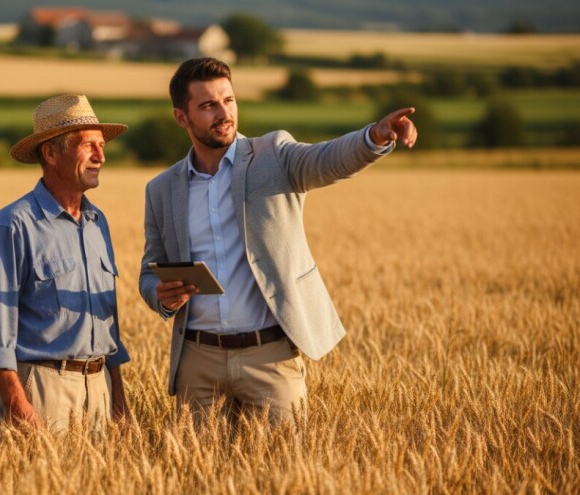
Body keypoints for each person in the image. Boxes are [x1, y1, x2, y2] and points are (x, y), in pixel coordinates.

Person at [138, 57, 417, 428]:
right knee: (196, 477)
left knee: (283, 476)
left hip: (269, 356)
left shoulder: (273, 155)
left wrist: (375, 137)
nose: (223, 113)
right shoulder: (162, 189)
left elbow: (328, 159)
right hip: (197, 362)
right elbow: (149, 269)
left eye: (228, 100)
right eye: (207, 105)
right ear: (181, 117)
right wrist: (158, 294)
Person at [0, 94, 131, 432]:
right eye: (89, 146)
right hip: (42, 389)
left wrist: (119, 401)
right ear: (51, 153)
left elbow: (109, 326)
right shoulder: (12, 225)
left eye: (102, 146)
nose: (100, 156)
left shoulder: (97, 222)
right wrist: (18, 406)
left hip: (99, 389)